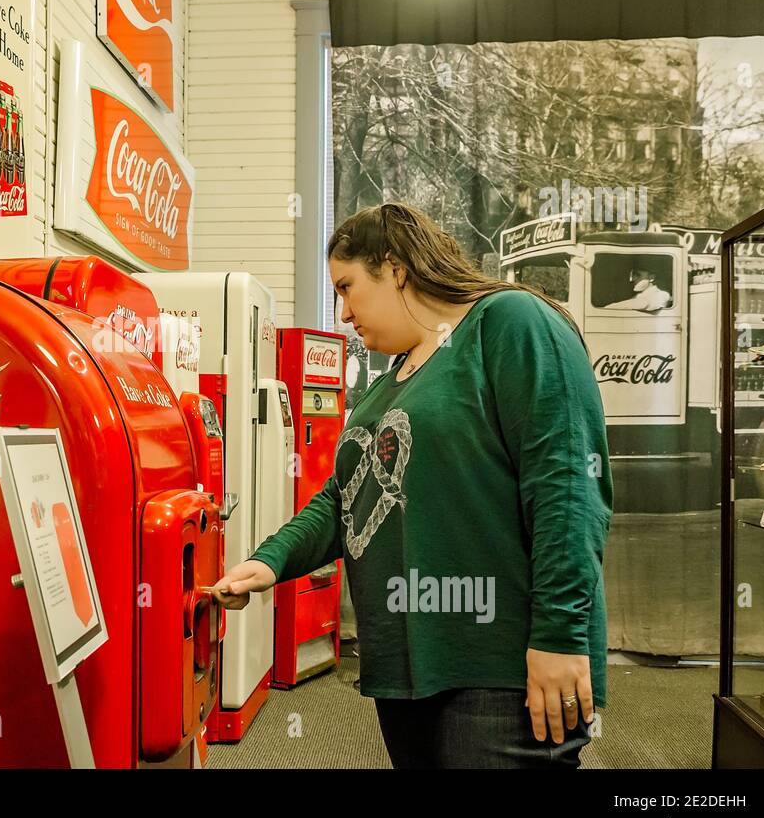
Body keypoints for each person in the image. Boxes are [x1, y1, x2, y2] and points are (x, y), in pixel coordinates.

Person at [212, 202, 613, 769]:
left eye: (348, 287)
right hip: (408, 666)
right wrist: (271, 562)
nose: (343, 312)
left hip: (500, 666)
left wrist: (560, 636)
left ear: (395, 268)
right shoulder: (390, 381)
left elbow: (568, 488)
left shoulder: (511, 322)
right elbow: (345, 496)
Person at [606, 268, 671, 312]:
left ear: (651, 278)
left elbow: (643, 303)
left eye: (637, 275)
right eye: (632, 276)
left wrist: (607, 308)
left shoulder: (662, 294)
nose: (632, 280)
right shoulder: (639, 296)